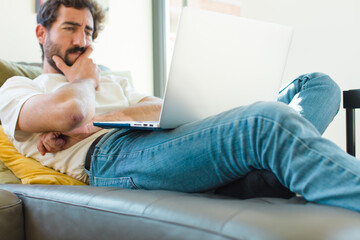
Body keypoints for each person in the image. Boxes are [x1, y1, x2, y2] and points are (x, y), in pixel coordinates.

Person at [1, 0, 360, 213]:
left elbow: (165, 109)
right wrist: (84, 82)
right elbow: (73, 113)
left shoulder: (112, 81)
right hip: (113, 158)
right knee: (267, 122)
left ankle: (264, 178)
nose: (83, 41)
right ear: (41, 34)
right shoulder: (19, 87)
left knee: (320, 84)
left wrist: (104, 119)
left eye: (89, 31)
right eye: (70, 28)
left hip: (156, 138)